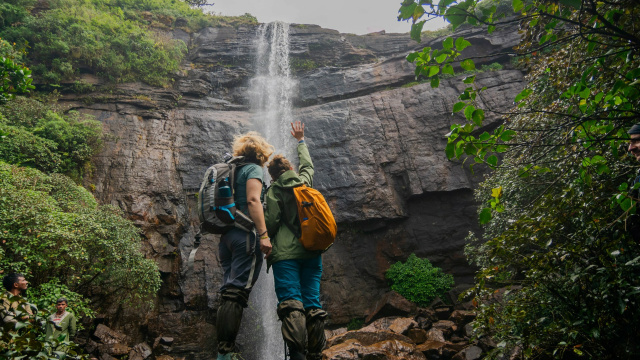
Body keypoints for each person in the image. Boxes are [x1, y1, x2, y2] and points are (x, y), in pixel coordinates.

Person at [264, 121, 328, 360]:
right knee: (312, 302)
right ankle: (316, 353)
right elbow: (308, 166)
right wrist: (300, 140)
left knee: (292, 303)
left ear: (272, 175)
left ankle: (297, 355)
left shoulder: (274, 191)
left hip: (286, 256)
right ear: (290, 167)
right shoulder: (304, 182)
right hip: (312, 252)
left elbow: (270, 224)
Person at [216, 131, 274, 360]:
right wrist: (264, 235)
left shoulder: (233, 168)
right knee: (236, 293)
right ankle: (226, 352)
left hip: (227, 238)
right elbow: (253, 201)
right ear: (262, 151)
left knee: (228, 291)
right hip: (245, 237)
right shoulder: (254, 169)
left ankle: (223, 350)